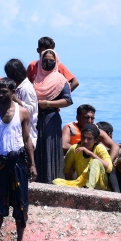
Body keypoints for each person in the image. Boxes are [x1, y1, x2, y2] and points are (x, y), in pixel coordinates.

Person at [0, 78, 36, 241]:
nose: (1, 94)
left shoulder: (23, 113)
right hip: (1, 162)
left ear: (13, 92)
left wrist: (32, 164)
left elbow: (27, 139)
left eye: (5, 91)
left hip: (19, 161)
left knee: (21, 204)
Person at [32, 49, 73, 183]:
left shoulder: (60, 80)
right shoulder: (36, 79)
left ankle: (51, 180)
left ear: (56, 62)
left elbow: (68, 100)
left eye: (51, 61)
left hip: (51, 118)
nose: (47, 63)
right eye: (45, 60)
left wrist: (49, 103)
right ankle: (38, 180)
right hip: (36, 119)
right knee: (38, 149)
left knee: (50, 150)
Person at [54, 123, 113, 190]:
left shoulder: (99, 148)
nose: (85, 141)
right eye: (83, 137)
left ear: (96, 140)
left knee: (95, 161)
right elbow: (66, 170)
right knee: (56, 182)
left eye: (89, 139)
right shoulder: (74, 149)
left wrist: (90, 153)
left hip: (100, 184)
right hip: (81, 183)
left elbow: (109, 167)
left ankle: (89, 190)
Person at [4, 58, 38, 148]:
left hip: (28, 131)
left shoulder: (26, 88)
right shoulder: (19, 87)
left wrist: (16, 100)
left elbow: (31, 110)